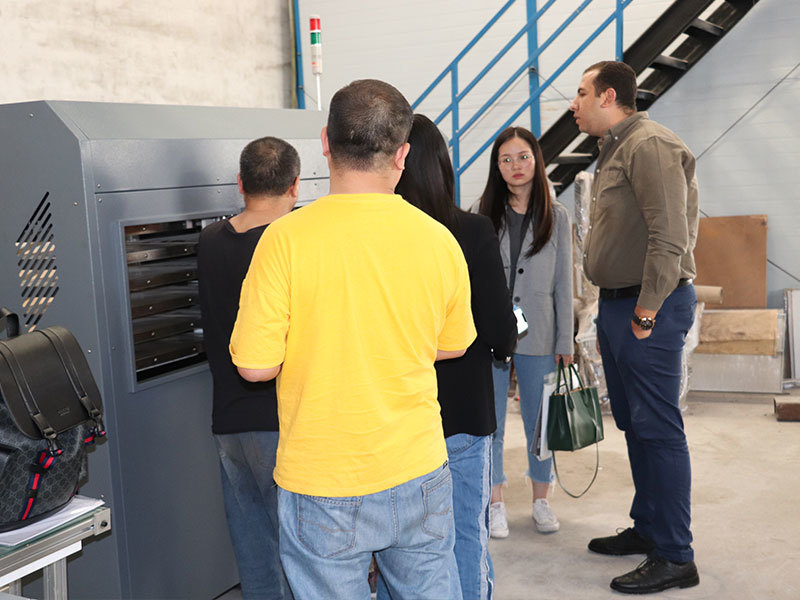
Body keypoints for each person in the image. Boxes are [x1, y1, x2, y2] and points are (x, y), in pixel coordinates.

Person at [229, 80, 476, 600]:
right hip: (418, 467)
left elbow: (254, 367)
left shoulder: (284, 240)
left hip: (322, 478)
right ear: (403, 154)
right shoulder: (438, 240)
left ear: (325, 142)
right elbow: (453, 345)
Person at [569, 60, 699, 594]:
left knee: (659, 430)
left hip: (651, 307)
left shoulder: (649, 145)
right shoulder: (614, 149)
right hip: (618, 307)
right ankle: (649, 529)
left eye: (580, 93)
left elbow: (669, 237)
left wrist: (646, 312)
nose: (573, 104)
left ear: (607, 96)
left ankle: (675, 555)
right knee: (636, 424)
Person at [376, 114, 516, 599]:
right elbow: (501, 333)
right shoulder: (472, 232)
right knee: (464, 540)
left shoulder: (378, 237)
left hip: (397, 421)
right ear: (442, 166)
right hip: (462, 416)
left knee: (402, 550)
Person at [197, 136, 300, 600]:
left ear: (240, 184)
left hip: (230, 421)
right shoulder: (293, 242)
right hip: (285, 422)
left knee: (254, 545)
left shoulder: (210, 239)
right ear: (295, 186)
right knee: (299, 550)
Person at [477, 126, 574, 538]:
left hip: (541, 332)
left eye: (523, 157)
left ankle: (541, 500)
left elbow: (565, 283)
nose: (515, 166)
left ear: (536, 159)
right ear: (497, 168)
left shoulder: (557, 215)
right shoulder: (482, 215)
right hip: (492, 334)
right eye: (506, 159)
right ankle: (495, 501)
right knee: (492, 421)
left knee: (540, 421)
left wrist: (565, 341)